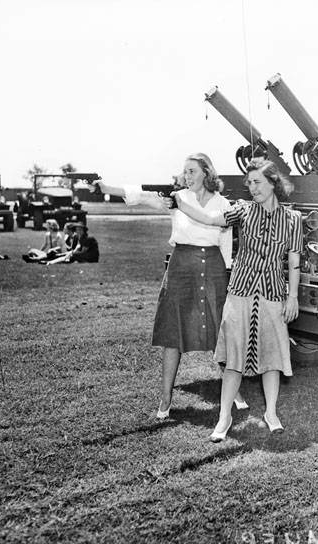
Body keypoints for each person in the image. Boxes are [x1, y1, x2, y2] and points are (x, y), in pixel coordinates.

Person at [96, 152, 247, 420]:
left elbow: (225, 242)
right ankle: (166, 398)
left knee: (219, 333)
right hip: (181, 266)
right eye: (184, 171)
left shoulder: (223, 203)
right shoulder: (176, 198)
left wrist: (224, 274)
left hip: (212, 267)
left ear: (206, 173)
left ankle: (233, 392)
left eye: (192, 171)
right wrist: (105, 187)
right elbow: (141, 194)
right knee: (173, 334)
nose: (186, 176)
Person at [174, 157, 303, 442]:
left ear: (273, 183)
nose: (252, 188)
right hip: (241, 292)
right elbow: (210, 219)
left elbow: (294, 261)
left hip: (272, 294)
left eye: (257, 182)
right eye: (249, 183)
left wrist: (292, 296)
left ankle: (271, 413)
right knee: (233, 357)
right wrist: (180, 204)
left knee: (271, 357)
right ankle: (224, 417)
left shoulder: (293, 219)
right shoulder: (243, 211)